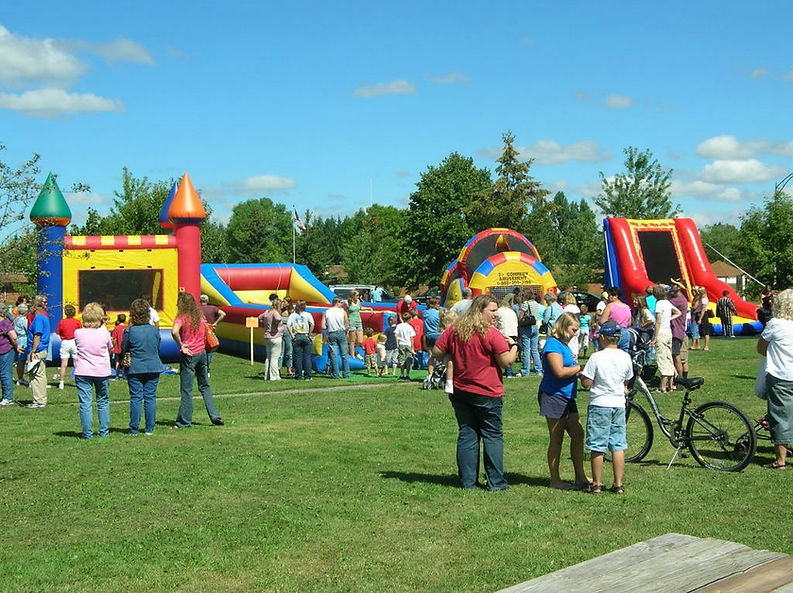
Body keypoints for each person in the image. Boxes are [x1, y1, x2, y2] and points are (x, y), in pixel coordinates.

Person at [432, 295, 517, 490]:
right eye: (493, 311)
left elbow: (437, 351)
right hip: (487, 391)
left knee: (467, 434)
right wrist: (514, 346)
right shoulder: (492, 334)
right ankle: (496, 482)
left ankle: (468, 482)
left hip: (461, 390)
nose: (496, 314)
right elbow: (506, 362)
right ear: (479, 311)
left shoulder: (454, 330)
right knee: (492, 435)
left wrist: (453, 355)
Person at [579, 320, 633, 494]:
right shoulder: (625, 357)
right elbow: (626, 379)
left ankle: (597, 483)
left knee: (597, 445)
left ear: (602, 337)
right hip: (618, 404)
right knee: (618, 444)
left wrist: (581, 376)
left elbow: (587, 383)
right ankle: (618, 484)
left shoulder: (596, 357)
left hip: (600, 403)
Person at [538, 312, 589, 490]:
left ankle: (580, 476)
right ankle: (555, 480)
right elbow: (559, 372)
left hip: (568, 397)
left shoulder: (563, 345)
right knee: (556, 437)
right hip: (554, 395)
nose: (576, 333)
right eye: (573, 329)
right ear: (563, 326)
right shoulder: (553, 344)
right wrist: (579, 368)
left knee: (578, 434)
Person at [172, 293, 223, 428]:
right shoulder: (200, 316)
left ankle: (184, 421)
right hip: (202, 353)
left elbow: (174, 331)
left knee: (187, 390)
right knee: (205, 386)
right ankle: (214, 415)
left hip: (189, 355)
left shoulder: (181, 317)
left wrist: (181, 345)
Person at [757, 288, 793, 469]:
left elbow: (761, 348)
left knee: (780, 415)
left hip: (781, 375)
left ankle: (780, 460)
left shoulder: (775, 323)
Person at [122, 298, 162, 435]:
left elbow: (123, 349)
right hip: (153, 366)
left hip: (135, 367)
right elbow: (158, 346)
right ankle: (150, 428)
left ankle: (134, 428)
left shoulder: (129, 331)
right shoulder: (155, 330)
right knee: (150, 397)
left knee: (136, 397)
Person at [73, 302, 113, 438]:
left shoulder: (78, 333)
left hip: (83, 371)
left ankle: (87, 433)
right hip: (101, 371)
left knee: (85, 403)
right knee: (103, 401)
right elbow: (110, 348)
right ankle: (104, 431)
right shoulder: (105, 334)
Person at [652, 285, 681, 393]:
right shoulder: (667, 303)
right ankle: (670, 385)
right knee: (669, 357)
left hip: (662, 333)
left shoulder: (659, 304)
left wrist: (655, 337)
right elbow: (678, 312)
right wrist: (669, 319)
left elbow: (658, 322)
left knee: (662, 359)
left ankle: (662, 386)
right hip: (668, 332)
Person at [25, 295, 51, 409]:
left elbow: (37, 335)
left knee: (36, 376)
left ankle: (39, 400)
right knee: (40, 374)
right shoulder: (43, 317)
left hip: (38, 350)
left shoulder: (39, 318)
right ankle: (40, 399)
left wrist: (33, 351)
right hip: (41, 349)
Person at [56, 304, 83, 390]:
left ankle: (61, 383)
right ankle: (79, 382)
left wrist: (62, 337)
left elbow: (58, 333)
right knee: (76, 363)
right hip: (74, 342)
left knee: (64, 363)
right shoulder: (77, 322)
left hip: (65, 342)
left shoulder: (62, 322)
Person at [198, 294, 226, 376]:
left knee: (200, 350)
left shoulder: (197, 309)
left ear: (200, 301)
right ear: (207, 301)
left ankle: (201, 369)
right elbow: (223, 314)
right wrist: (215, 323)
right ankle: (207, 370)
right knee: (209, 350)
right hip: (210, 331)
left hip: (200, 332)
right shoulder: (213, 308)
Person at [322, 296, 349, 379]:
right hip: (341, 332)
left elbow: (323, 326)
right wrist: (345, 330)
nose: (341, 304)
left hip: (332, 333)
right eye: (341, 303)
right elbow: (347, 323)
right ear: (337, 303)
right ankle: (346, 374)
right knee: (344, 355)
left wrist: (328, 327)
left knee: (333, 355)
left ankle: (335, 374)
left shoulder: (327, 312)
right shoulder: (343, 311)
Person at [598, 287, 632, 352]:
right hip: (625, 333)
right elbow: (629, 323)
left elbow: (602, 321)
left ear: (615, 296)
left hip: (612, 332)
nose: (608, 298)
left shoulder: (610, 306)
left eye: (610, 295)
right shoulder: (627, 307)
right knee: (624, 354)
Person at [287, 300, 314, 380]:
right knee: (307, 357)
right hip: (305, 335)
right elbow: (312, 324)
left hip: (297, 335)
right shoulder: (308, 314)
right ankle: (308, 376)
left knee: (298, 357)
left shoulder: (293, 315)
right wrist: (309, 334)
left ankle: (298, 375)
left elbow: (288, 325)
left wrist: (292, 335)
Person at [258, 297, 284, 381]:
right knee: (275, 357)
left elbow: (259, 317)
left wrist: (265, 322)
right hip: (275, 336)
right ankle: (274, 376)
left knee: (268, 357)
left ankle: (267, 375)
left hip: (267, 336)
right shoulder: (275, 312)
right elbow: (278, 318)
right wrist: (277, 324)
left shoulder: (267, 312)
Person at [669, 284, 690, 384]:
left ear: (679, 287)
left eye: (674, 285)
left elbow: (666, 303)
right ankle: (682, 379)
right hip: (679, 331)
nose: (672, 287)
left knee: (676, 356)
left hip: (676, 332)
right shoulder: (681, 299)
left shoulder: (678, 300)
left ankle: (680, 379)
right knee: (682, 358)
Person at [519, 289, 542, 377]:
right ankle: (539, 370)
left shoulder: (525, 304)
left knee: (526, 350)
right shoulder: (536, 303)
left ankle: (525, 371)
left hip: (527, 327)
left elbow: (521, 316)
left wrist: (519, 324)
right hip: (535, 326)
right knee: (535, 349)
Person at [0, 303, 18, 406]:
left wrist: (16, 347)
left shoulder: (5, 323)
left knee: (5, 374)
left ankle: (8, 397)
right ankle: (5, 396)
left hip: (6, 351)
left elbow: (14, 336)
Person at [496, 299, 519, 377]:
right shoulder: (512, 311)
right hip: (513, 332)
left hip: (504, 332)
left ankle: (507, 372)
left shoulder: (499, 311)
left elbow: (495, 321)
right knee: (511, 352)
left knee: (503, 352)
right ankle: (509, 371)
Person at [422, 297, 442, 379]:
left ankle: (430, 374)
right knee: (439, 355)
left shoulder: (425, 313)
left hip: (428, 335)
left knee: (430, 355)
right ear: (435, 304)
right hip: (437, 334)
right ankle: (439, 371)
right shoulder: (438, 313)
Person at [395, 312, 416, 380]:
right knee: (408, 360)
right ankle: (407, 374)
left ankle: (401, 374)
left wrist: (397, 343)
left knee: (402, 359)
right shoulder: (410, 327)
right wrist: (412, 348)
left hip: (401, 343)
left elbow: (396, 335)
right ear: (409, 319)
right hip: (408, 344)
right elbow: (411, 338)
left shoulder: (399, 326)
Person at [562, 293, 581, 359]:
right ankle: (575, 358)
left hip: (569, 328)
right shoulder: (577, 308)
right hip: (577, 328)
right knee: (575, 344)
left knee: (569, 344)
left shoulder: (567, 308)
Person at [13, 303, 28, 387]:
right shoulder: (24, 320)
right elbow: (27, 329)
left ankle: (19, 377)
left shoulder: (16, 319)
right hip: (23, 339)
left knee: (19, 361)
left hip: (17, 339)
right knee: (22, 360)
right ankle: (21, 378)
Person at [347, 290, 365, 357]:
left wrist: (369, 309)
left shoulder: (358, 301)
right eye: (357, 295)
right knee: (352, 340)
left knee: (360, 341)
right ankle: (352, 355)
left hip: (358, 321)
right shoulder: (348, 303)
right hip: (351, 321)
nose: (358, 297)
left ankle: (351, 350)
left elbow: (360, 308)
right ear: (353, 296)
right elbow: (344, 311)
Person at [111, 313, 127, 381]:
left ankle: (117, 376)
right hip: (125, 348)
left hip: (118, 348)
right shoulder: (127, 328)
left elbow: (114, 339)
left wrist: (113, 346)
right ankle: (125, 375)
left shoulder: (116, 328)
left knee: (118, 361)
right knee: (125, 361)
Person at [695, 287, 712, 351]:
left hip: (703, 315)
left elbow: (703, 310)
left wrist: (700, 319)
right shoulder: (700, 298)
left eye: (699, 292)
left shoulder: (704, 299)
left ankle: (706, 346)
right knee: (701, 330)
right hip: (699, 313)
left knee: (706, 331)